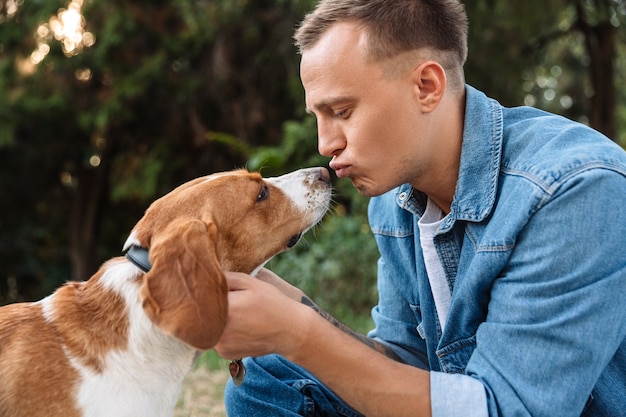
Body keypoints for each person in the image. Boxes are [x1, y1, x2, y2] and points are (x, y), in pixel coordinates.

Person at [214, 0, 626, 415]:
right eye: (319, 117)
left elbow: (509, 408)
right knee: (266, 378)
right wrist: (295, 309)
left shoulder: (573, 188)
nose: (325, 145)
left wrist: (300, 334)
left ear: (427, 86)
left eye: (341, 112)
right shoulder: (394, 203)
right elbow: (403, 359)